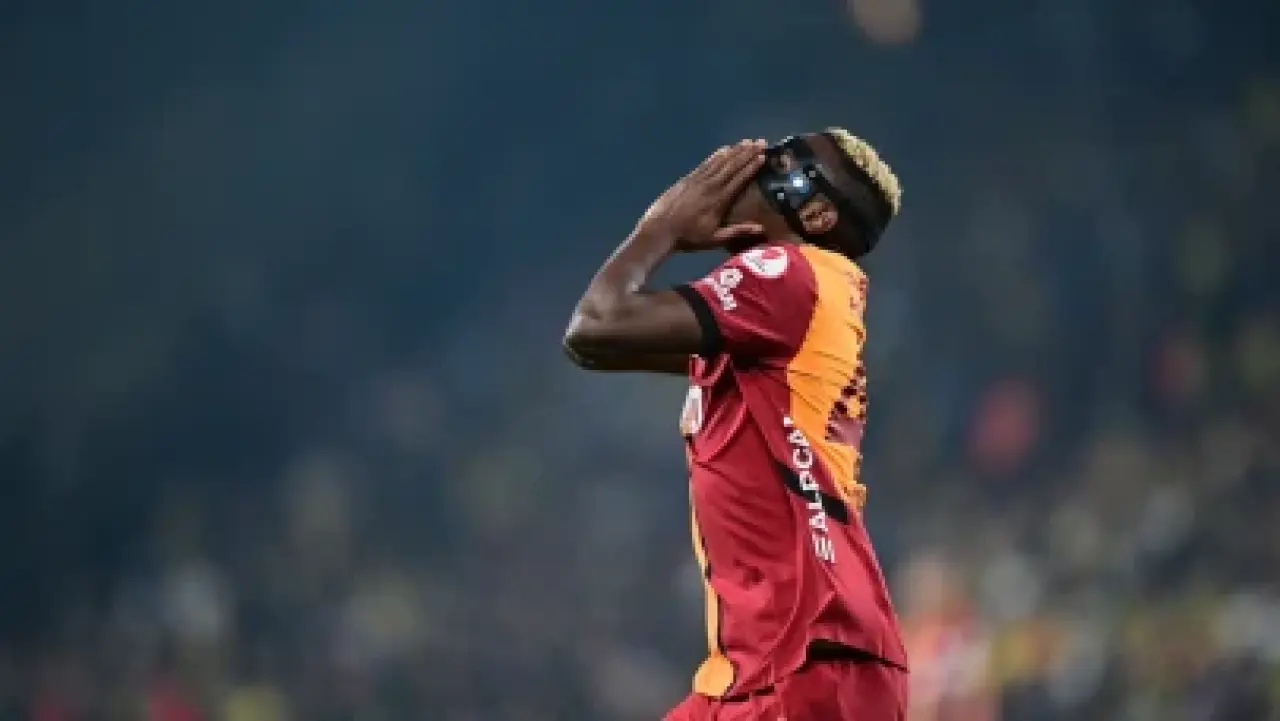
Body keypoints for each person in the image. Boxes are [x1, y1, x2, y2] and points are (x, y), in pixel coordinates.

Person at [563, 131, 908, 721]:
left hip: (810, 661)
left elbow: (597, 326)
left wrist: (661, 227)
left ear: (815, 214)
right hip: (770, 667)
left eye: (776, 164)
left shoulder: (790, 273)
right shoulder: (793, 308)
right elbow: (602, 347)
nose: (745, 169)